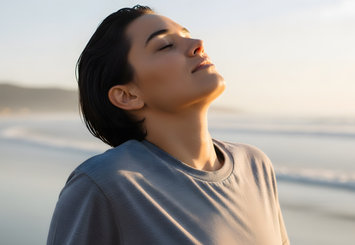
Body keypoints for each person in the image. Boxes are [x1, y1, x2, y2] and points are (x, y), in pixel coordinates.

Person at [47, 5, 290, 245]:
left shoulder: (255, 165)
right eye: (166, 45)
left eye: (187, 35)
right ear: (127, 95)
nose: (198, 43)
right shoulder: (104, 186)